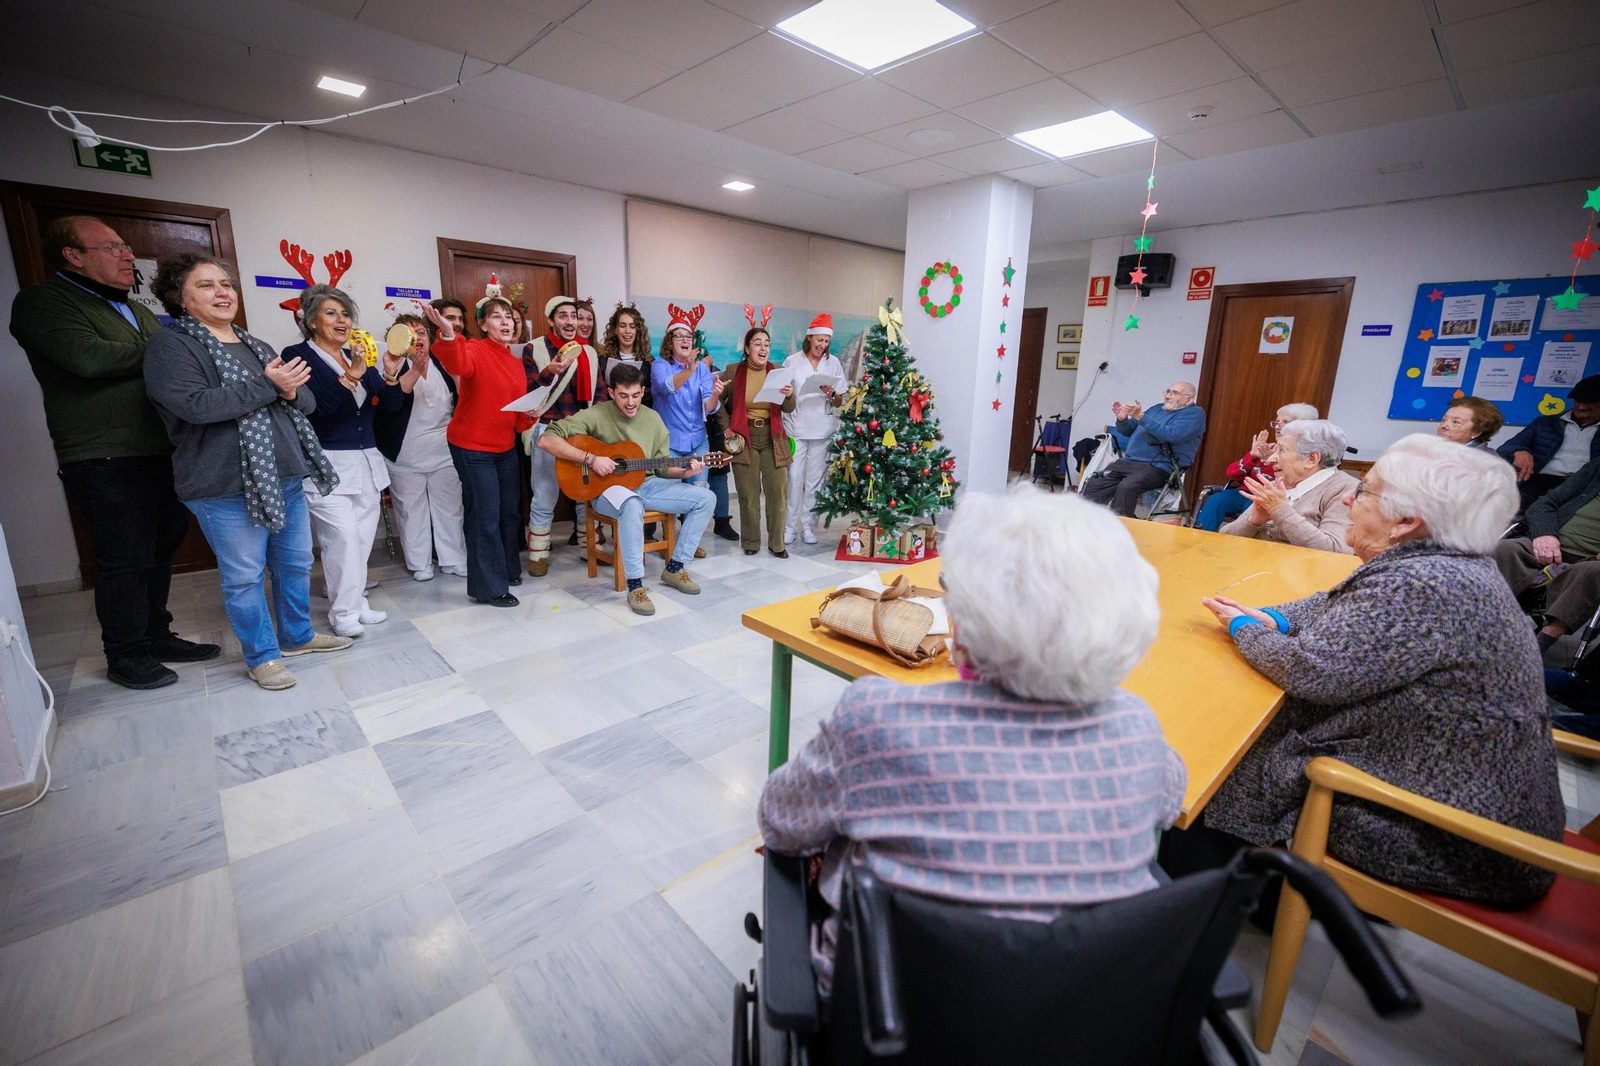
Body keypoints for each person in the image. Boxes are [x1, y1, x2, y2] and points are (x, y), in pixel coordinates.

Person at [759, 486, 1186, 990]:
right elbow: (1167, 800)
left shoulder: (877, 720)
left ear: (959, 628)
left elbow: (780, 821)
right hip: (1080, 1024)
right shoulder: (1137, 730)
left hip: (890, 1017)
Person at [1186, 434, 1564, 907]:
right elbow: (1337, 600)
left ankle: (1207, 909)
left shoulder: (1423, 584)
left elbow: (1311, 672)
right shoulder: (1448, 563)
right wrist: (1277, 618)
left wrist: (1244, 627)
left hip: (1450, 836)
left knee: (1215, 760)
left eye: (1365, 493)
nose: (1348, 497)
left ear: (1407, 522)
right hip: (1465, 793)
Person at [9, 215, 219, 689]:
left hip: (160, 448)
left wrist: (167, 349)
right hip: (104, 454)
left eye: (126, 246)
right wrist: (169, 351)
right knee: (125, 557)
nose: (128, 256)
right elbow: (88, 358)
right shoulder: (42, 302)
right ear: (72, 255)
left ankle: (157, 635)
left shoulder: (137, 310)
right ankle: (125, 654)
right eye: (112, 247)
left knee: (162, 548)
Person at [143, 253, 351, 691]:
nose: (222, 292)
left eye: (227, 284)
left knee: (295, 563)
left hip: (285, 476)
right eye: (207, 285)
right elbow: (195, 407)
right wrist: (272, 387)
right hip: (223, 485)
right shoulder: (172, 346)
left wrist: (289, 392)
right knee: (244, 577)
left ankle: (297, 636)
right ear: (179, 297)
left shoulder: (256, 344)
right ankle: (262, 656)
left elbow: (306, 404)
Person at [536, 363, 714, 616]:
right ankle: (636, 586)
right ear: (611, 392)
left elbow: (663, 467)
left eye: (635, 395)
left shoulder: (653, 419)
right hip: (608, 492)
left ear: (643, 391)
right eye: (623, 395)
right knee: (632, 505)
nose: (630, 402)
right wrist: (591, 459)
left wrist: (685, 471)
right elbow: (546, 439)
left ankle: (675, 567)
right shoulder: (596, 414)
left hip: (648, 484)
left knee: (706, 498)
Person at [284, 285, 404, 637]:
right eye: (332, 313)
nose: (342, 320)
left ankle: (357, 604)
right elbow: (317, 409)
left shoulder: (360, 354)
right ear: (310, 320)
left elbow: (390, 408)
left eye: (346, 314)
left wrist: (391, 374)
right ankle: (344, 614)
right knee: (344, 539)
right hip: (324, 463)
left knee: (362, 540)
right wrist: (352, 372)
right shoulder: (297, 354)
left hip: (366, 461)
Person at [424, 298, 534, 608]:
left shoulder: (514, 362)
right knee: (485, 515)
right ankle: (487, 587)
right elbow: (457, 362)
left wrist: (532, 411)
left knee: (509, 512)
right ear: (483, 324)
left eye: (509, 317)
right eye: (497, 317)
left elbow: (516, 418)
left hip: (504, 447)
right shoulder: (473, 348)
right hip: (471, 447)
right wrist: (447, 334)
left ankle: (508, 569)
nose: (505, 322)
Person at [373, 312, 467, 582]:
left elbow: (461, 394)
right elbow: (391, 404)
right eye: (410, 334)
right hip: (404, 453)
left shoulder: (442, 364)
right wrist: (415, 368)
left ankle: (453, 559)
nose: (417, 339)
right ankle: (419, 564)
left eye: (422, 332)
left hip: (444, 450)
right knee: (411, 511)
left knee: (450, 508)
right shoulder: (391, 366)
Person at [522, 294, 606, 574]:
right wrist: (550, 371)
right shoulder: (534, 349)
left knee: (586, 493)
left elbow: (600, 392)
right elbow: (527, 390)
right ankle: (538, 555)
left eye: (575, 316)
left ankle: (589, 548)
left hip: (582, 430)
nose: (571, 322)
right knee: (545, 494)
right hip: (548, 430)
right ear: (551, 320)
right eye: (564, 316)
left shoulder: (590, 352)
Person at [1494, 455, 1600, 653]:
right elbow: (1545, 503)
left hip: (1591, 560)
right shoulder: (1597, 468)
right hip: (1550, 541)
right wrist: (1545, 533)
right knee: (1505, 549)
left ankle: (1534, 648)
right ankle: (1476, 625)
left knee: (1592, 573)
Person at [651, 304, 729, 553]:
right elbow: (666, 387)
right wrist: (689, 369)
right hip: (670, 442)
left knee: (699, 495)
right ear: (669, 341)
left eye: (689, 336)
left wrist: (716, 394)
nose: (685, 340)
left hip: (698, 440)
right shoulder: (659, 365)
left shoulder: (704, 370)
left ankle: (688, 542)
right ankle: (669, 542)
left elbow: (709, 406)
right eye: (679, 335)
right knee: (671, 495)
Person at [718, 319, 795, 557]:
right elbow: (717, 403)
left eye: (767, 344)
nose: (763, 348)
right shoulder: (733, 370)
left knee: (777, 494)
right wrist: (725, 426)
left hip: (773, 437)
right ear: (747, 348)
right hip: (743, 436)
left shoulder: (779, 370)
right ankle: (751, 542)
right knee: (748, 494)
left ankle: (777, 544)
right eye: (757, 343)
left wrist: (790, 395)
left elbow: (789, 408)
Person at [1220, 419, 1356, 553]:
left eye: (1281, 451)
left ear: (1311, 459)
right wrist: (1253, 522)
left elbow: (1336, 551)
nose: (1270, 459)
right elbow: (1224, 538)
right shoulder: (1277, 484)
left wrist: (1280, 510)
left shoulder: (1346, 490)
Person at [1081, 382, 1206, 517]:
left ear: (1189, 399)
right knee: (1094, 483)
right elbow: (1128, 430)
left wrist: (1141, 416)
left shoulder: (1194, 414)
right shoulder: (1156, 409)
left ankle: (1122, 528)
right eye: (1168, 391)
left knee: (1127, 487)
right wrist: (1122, 420)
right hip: (1129, 462)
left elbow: (1171, 435)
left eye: (1175, 393)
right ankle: (1085, 523)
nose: (1168, 396)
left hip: (1158, 466)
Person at [1193, 402, 1317, 532]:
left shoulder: (1303, 454)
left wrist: (1272, 462)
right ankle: (1200, 538)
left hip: (1273, 498)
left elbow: (1289, 481)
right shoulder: (1265, 448)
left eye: (1285, 422)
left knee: (1254, 506)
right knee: (1217, 499)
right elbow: (1232, 474)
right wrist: (1251, 457)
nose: (1278, 426)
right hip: (1245, 493)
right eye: (1276, 422)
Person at [782, 313, 845, 545]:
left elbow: (840, 400)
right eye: (819, 340)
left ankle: (808, 526)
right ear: (809, 338)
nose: (822, 346)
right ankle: (790, 527)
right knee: (794, 479)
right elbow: (784, 394)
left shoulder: (834, 363)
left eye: (826, 341)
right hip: (796, 429)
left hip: (822, 429)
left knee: (814, 483)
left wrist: (831, 393)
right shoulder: (792, 361)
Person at [1497, 374, 1600, 511]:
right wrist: (1519, 451)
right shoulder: (1546, 423)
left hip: (1582, 485)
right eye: (1577, 401)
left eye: (1589, 402)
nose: (1581, 407)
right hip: (1541, 481)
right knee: (1509, 505)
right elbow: (1506, 447)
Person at [598, 301, 653, 402]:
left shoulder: (648, 362)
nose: (627, 331)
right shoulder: (603, 360)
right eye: (623, 326)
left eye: (632, 326)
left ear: (638, 331)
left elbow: (650, 395)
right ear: (616, 330)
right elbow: (600, 393)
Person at [1437, 395, 1504, 449]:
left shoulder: (1483, 461)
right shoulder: (1433, 450)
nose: (1443, 426)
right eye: (1444, 420)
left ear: (1476, 432)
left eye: (1455, 422)